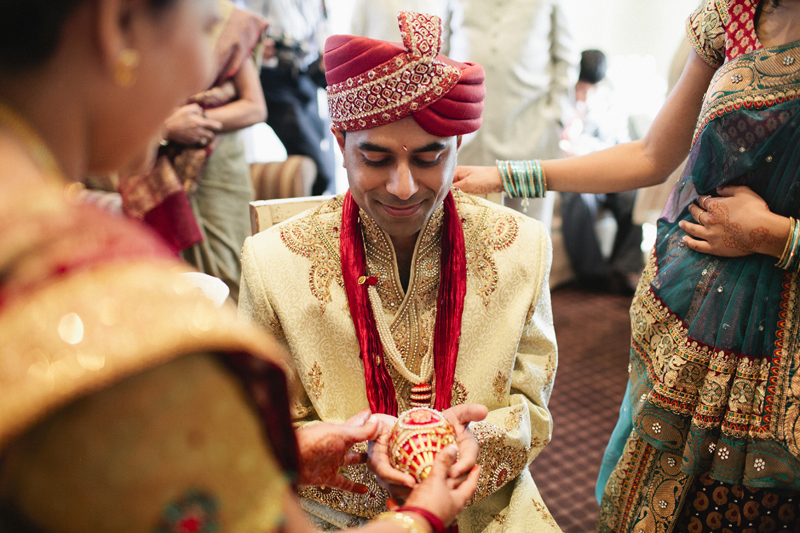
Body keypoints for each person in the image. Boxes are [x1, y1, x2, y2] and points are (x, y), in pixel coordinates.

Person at [0, 0, 482, 530]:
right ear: (119, 25)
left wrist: (285, 456)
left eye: (428, 156)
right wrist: (421, 519)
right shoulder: (127, 321)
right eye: (208, 30)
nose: (207, 72)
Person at [453, 0, 800, 531]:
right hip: (683, 316)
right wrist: (506, 176)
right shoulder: (730, 16)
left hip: (779, 342)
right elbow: (651, 155)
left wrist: (775, 235)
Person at [239, 11, 561, 532]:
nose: (404, 187)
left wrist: (463, 448)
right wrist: (365, 452)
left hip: (485, 503)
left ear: (459, 149)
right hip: (338, 512)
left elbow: (532, 410)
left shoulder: (521, 249)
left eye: (430, 158)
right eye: (376, 157)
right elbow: (263, 431)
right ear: (340, 143)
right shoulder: (273, 262)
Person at [119, 0, 267, 303]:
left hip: (219, 162)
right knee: (171, 271)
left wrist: (194, 122)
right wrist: (165, 128)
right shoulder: (139, 18)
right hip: (154, 159)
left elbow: (255, 107)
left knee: (232, 271)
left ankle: (232, 344)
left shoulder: (225, 22)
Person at [443, 0, 578, 230]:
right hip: (468, 134)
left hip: (531, 130)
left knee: (529, 231)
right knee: (466, 226)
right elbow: (441, 52)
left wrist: (556, 117)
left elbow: (566, 59)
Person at [559, 50, 643, 294]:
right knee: (579, 197)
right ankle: (593, 273)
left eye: (591, 89)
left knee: (632, 194)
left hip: (605, 168)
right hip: (576, 172)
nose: (585, 95)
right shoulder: (561, 103)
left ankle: (626, 266)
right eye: (581, 88)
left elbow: (620, 144)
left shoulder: (607, 105)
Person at [242, 0, 335, 195]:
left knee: (325, 162)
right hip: (271, 77)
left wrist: (325, 50)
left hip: (303, 77)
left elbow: (320, 24)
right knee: (318, 168)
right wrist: (252, 40)